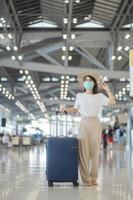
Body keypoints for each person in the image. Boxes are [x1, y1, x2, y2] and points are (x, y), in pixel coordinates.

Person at [60, 72, 116, 186]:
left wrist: (107, 90)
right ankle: (86, 178)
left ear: (94, 83)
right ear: (83, 83)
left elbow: (112, 102)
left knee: (95, 152)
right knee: (83, 152)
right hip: (84, 122)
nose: (88, 82)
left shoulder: (99, 96)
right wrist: (65, 110)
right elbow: (75, 109)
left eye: (90, 80)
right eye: (86, 80)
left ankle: (94, 177)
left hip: (95, 122)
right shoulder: (80, 96)